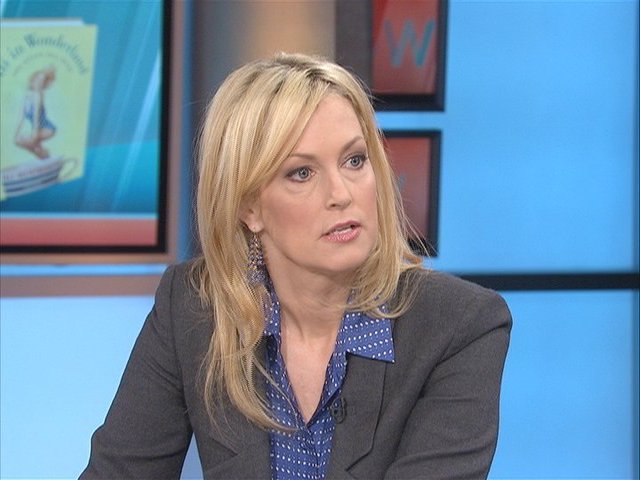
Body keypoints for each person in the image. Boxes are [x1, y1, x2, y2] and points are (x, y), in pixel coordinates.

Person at [80, 53, 511, 480]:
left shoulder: (460, 325)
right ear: (249, 207)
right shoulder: (195, 307)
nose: (341, 194)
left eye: (354, 160)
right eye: (302, 173)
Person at [14, 66, 57, 159]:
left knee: (29, 141)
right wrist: (15, 134)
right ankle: (43, 154)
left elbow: (36, 116)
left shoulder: (38, 95)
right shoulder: (26, 95)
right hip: (38, 128)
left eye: (42, 82)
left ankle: (43, 154)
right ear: (32, 80)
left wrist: (35, 132)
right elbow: (21, 117)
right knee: (18, 141)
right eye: (37, 80)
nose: (39, 83)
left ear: (44, 84)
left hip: (48, 129)